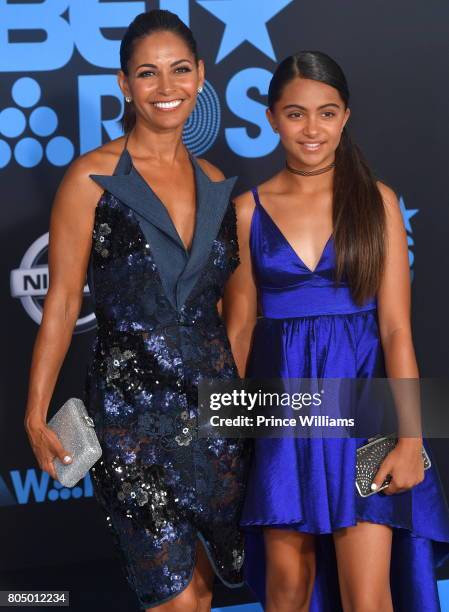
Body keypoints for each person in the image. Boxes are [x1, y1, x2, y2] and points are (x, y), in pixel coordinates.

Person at [24, 10, 249, 612]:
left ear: (201, 75)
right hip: (132, 420)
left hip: (213, 417)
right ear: (124, 84)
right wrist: (35, 410)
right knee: (170, 598)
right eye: (148, 73)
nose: (166, 87)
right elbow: (64, 302)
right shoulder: (89, 179)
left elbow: (232, 304)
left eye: (179, 70)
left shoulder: (214, 181)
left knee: (202, 592)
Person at [223, 51, 449, 611]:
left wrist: (412, 439)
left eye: (326, 112)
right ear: (271, 117)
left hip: (366, 415)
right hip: (280, 421)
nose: (311, 129)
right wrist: (226, 439)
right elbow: (238, 332)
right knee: (286, 591)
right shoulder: (246, 211)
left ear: (345, 116)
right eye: (295, 113)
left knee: (368, 596)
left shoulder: (378, 203)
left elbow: (396, 328)